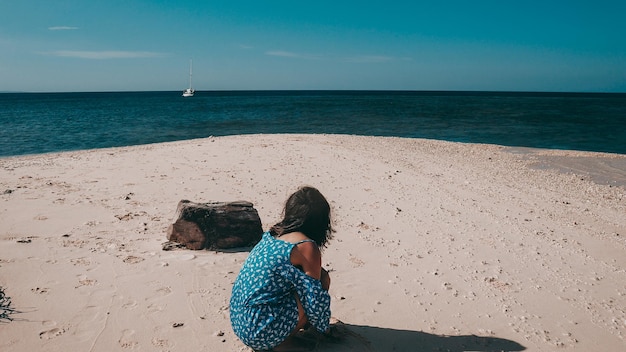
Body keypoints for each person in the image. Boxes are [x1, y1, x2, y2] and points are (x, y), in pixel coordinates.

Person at [230, 186, 333, 351]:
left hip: (240, 322)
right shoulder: (305, 246)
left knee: (304, 282)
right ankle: (283, 342)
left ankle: (278, 335)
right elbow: (314, 299)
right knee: (322, 280)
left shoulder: (274, 233)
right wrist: (324, 329)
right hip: (261, 332)